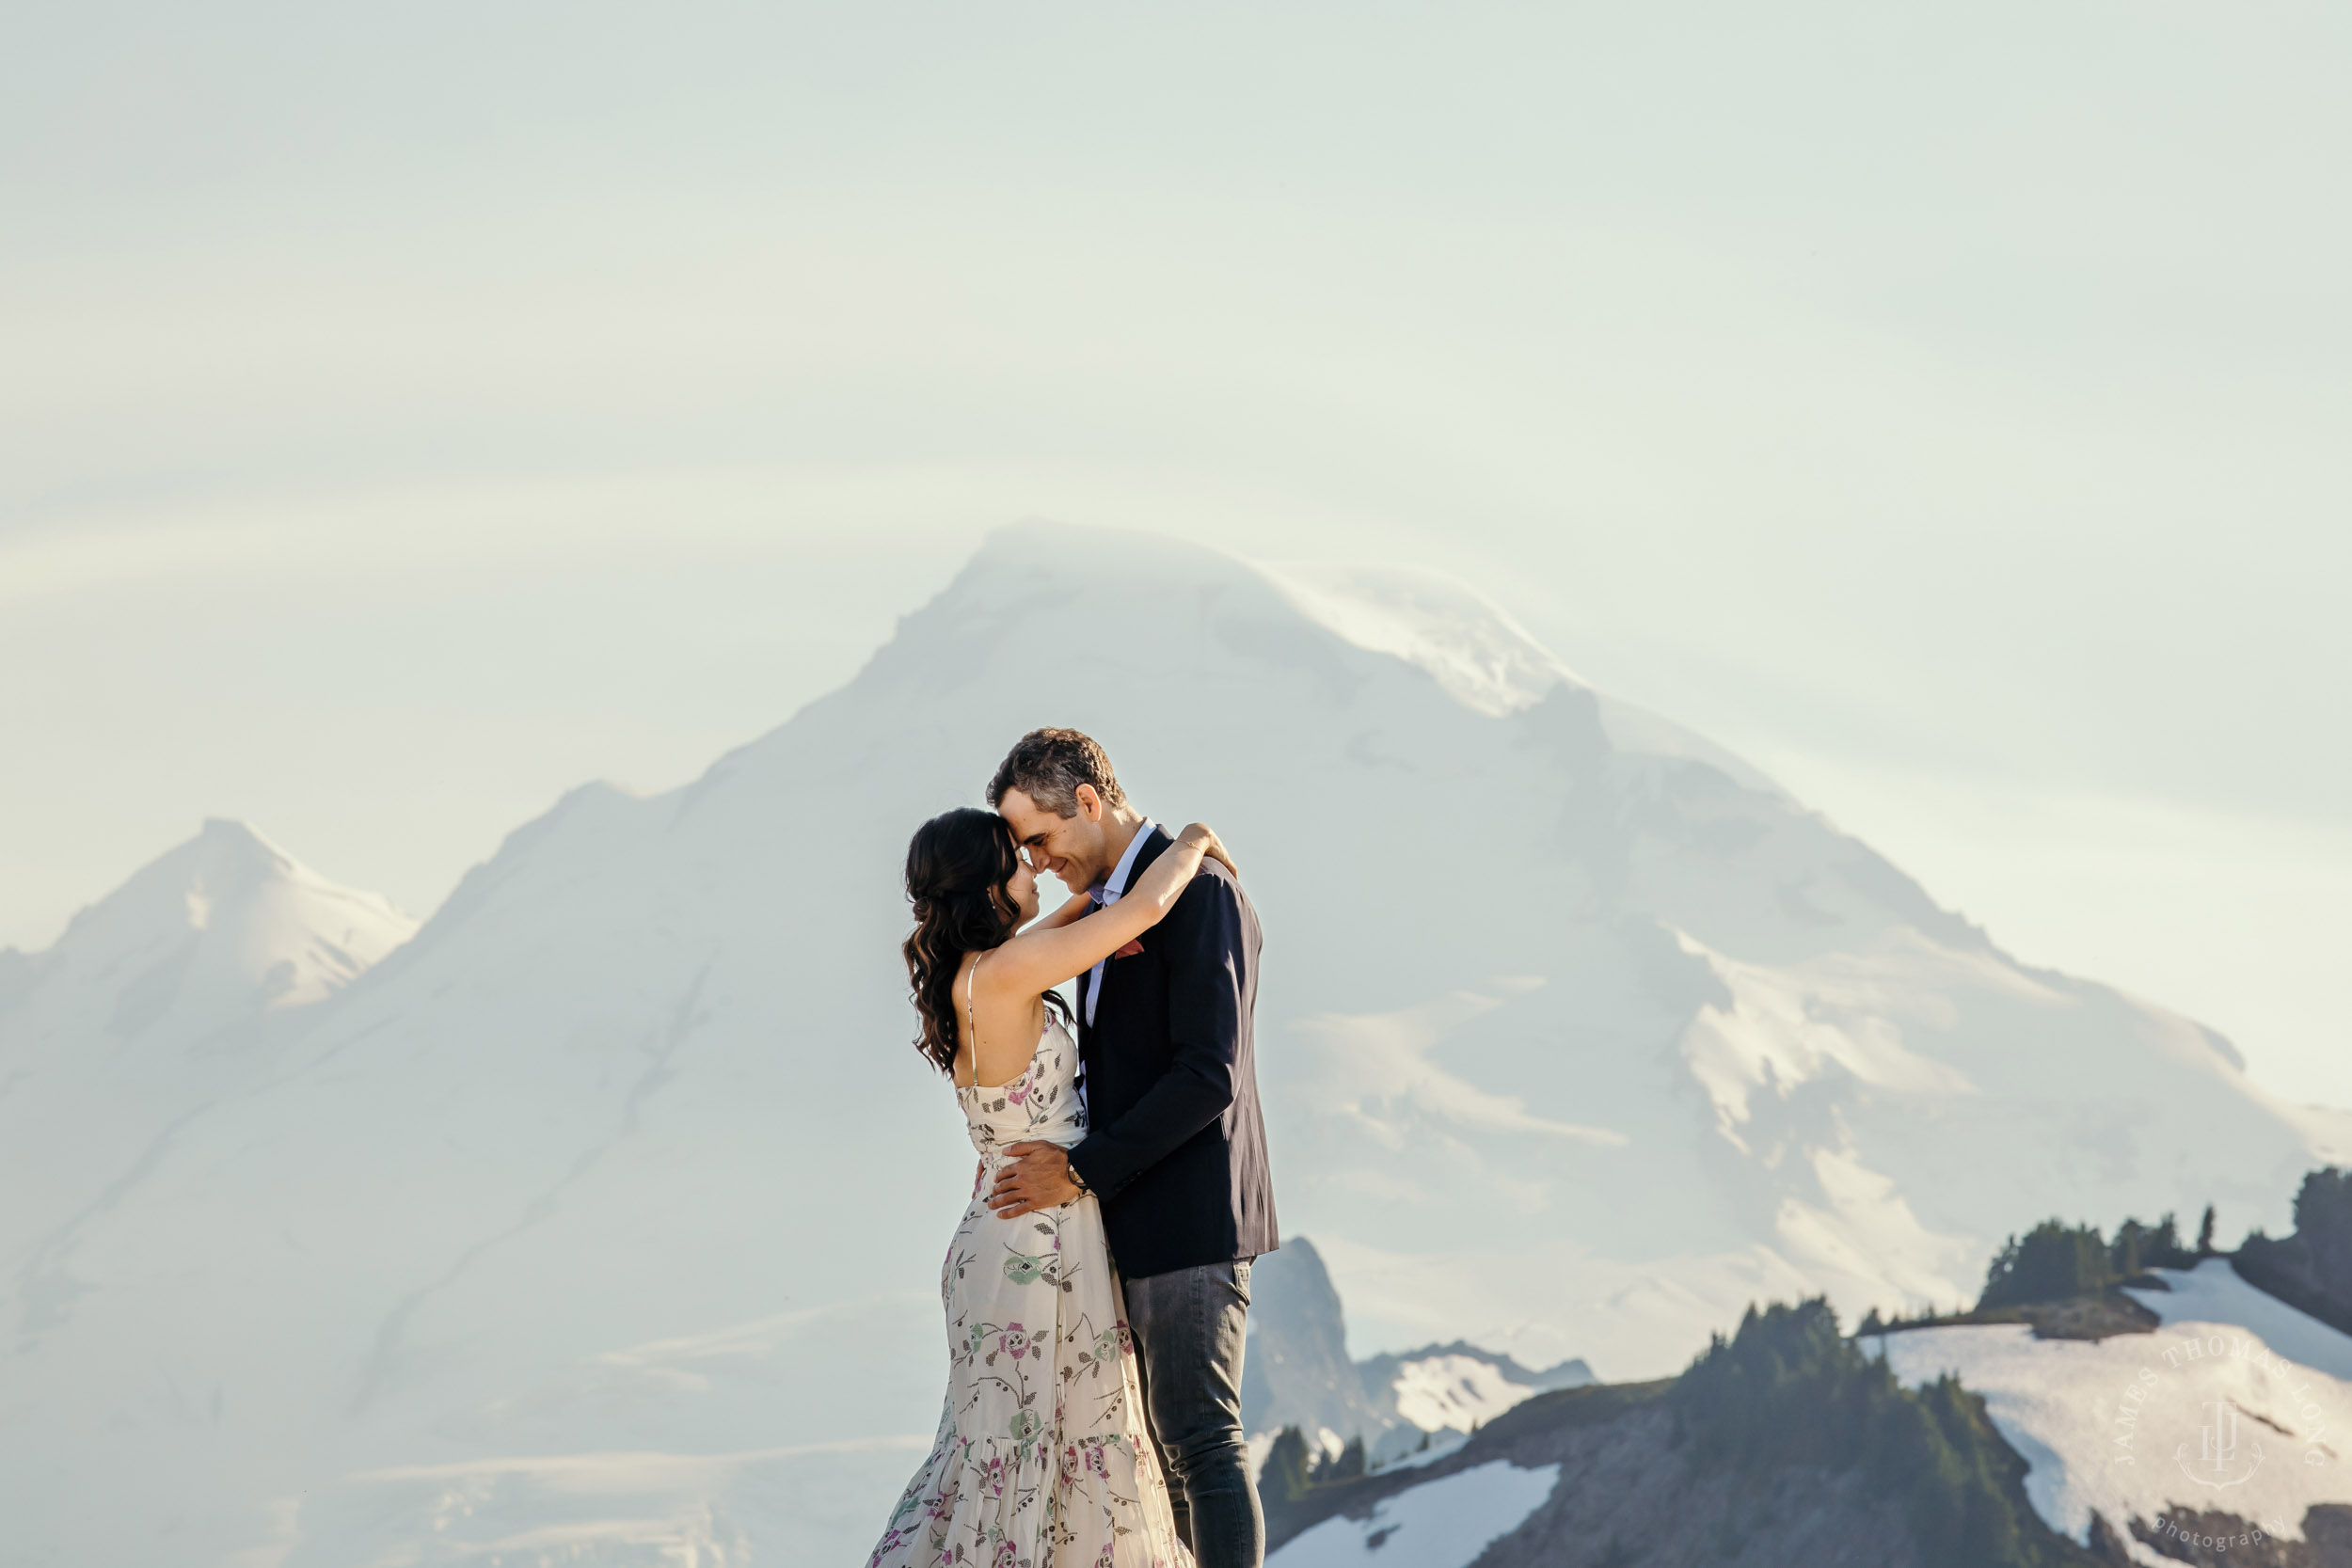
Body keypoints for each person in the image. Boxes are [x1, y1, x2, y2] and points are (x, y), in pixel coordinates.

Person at [867, 800, 1237, 1568]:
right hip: (1036, 1242)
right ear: (989, 880)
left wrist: (1096, 877)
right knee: (1045, 1461)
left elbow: (1090, 910)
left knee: (1014, 1461)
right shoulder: (1009, 971)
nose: (1034, 863)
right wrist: (1195, 837)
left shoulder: (980, 972)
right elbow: (1140, 906)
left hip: (1005, 1236)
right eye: (1018, 854)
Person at [989, 729, 1276, 1568]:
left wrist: (1080, 1169)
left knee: (1201, 1441)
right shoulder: (1126, 900)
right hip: (1132, 1218)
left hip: (1191, 1215)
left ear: (1087, 801)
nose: (1036, 863)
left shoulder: (1202, 892)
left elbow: (1208, 1072)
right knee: (1162, 1458)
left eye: (1039, 838)